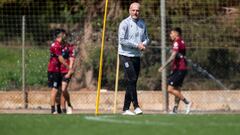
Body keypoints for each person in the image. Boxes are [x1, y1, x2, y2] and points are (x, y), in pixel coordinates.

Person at [118, 2, 149, 115]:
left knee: (132, 82)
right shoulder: (124, 23)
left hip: (136, 56)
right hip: (125, 55)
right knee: (131, 79)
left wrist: (143, 43)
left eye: (137, 10)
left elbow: (146, 38)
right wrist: (137, 45)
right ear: (129, 11)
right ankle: (136, 106)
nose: (136, 12)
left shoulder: (142, 23)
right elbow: (122, 40)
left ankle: (126, 109)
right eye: (133, 10)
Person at [158, 27, 192, 114]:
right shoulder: (182, 41)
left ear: (176, 34)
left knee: (170, 89)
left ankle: (187, 102)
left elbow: (173, 56)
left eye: (171, 33)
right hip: (181, 69)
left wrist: (163, 66)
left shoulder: (177, 42)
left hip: (179, 69)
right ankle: (175, 109)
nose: (170, 35)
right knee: (177, 89)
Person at [48, 29, 69, 114]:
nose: (65, 36)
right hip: (54, 70)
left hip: (57, 70)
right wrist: (68, 67)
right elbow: (60, 58)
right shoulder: (56, 45)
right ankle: (53, 110)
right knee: (55, 90)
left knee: (59, 90)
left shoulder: (59, 45)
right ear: (60, 35)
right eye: (64, 34)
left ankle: (58, 108)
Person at [60, 36, 75, 114]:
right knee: (60, 90)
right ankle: (63, 109)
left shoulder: (70, 48)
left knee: (63, 89)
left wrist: (69, 71)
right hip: (57, 71)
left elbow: (72, 59)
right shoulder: (57, 46)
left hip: (66, 71)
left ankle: (68, 104)